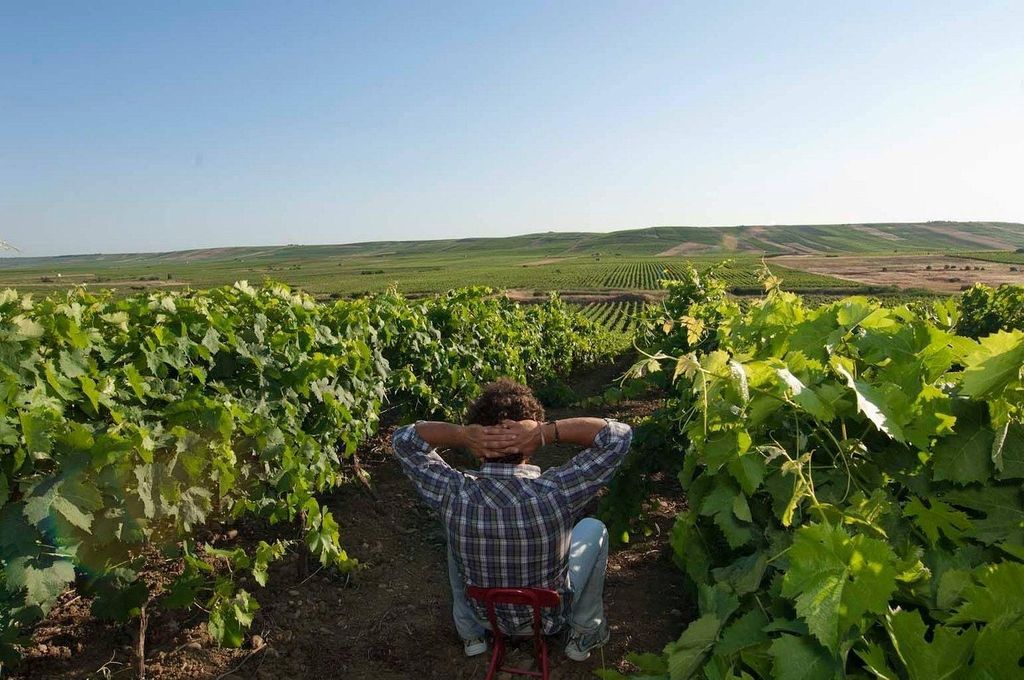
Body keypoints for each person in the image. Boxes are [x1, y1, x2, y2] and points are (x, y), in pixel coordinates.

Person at [391, 379, 633, 661]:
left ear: (476, 445)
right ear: (530, 446)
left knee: (454, 536)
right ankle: (584, 632)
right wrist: (547, 433)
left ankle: (471, 635)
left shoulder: (454, 494)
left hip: (485, 614)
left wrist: (460, 435)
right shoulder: (557, 492)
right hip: (547, 618)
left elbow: (403, 440)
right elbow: (619, 436)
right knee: (595, 528)